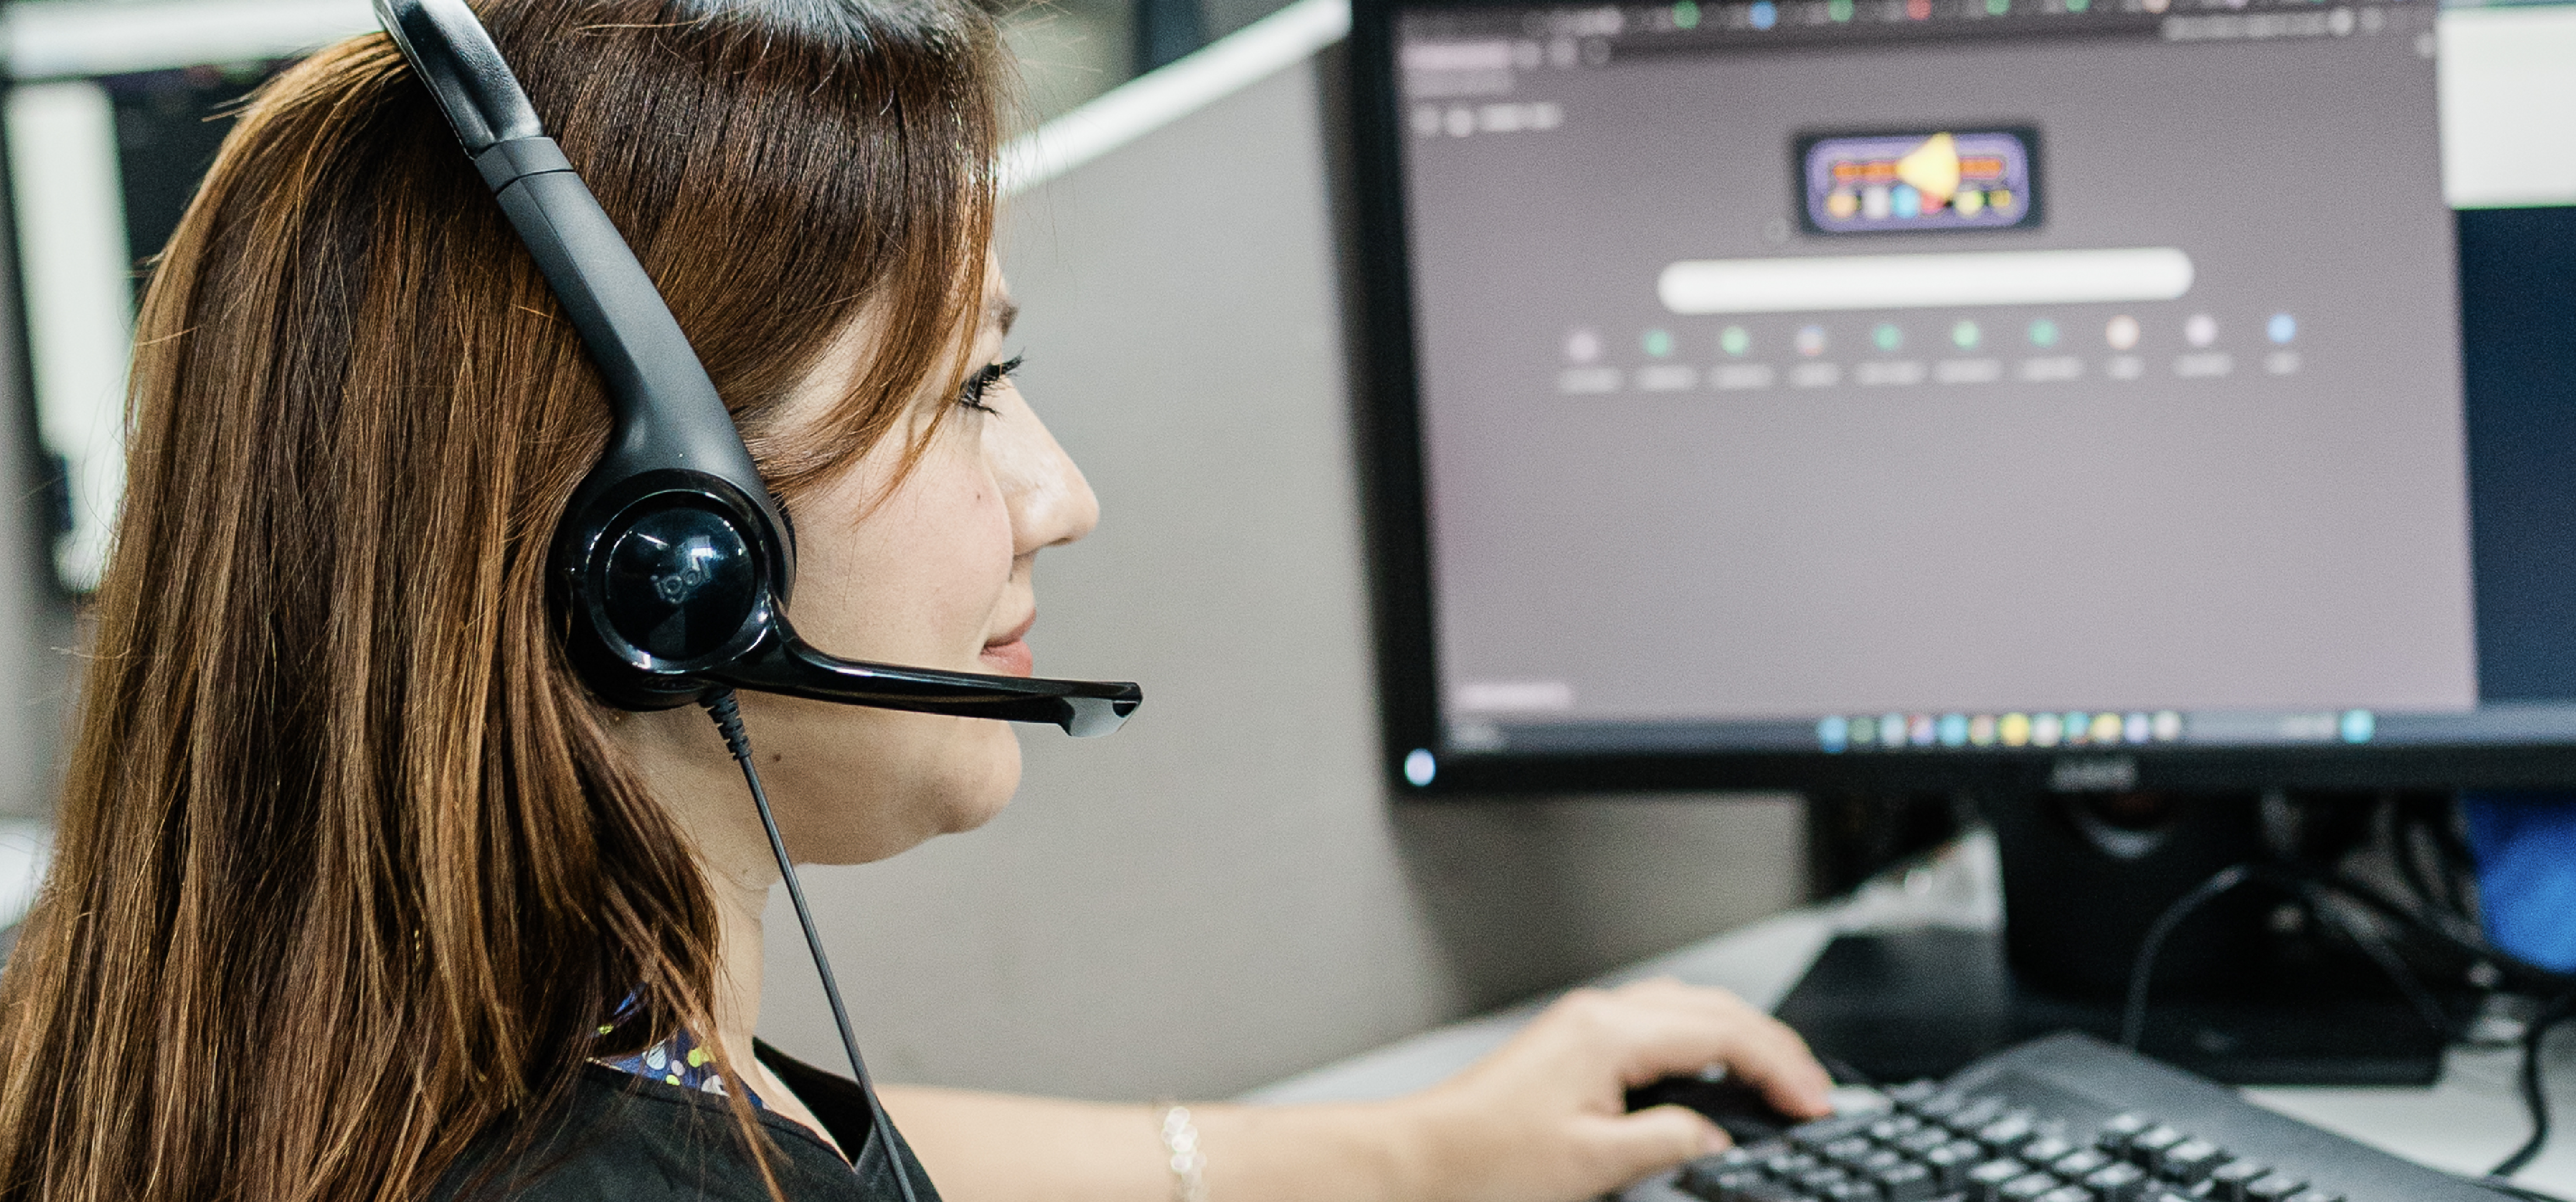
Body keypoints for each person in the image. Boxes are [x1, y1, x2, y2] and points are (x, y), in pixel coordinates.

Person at [0, 0, 1833, 1198]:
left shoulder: (227, 1034)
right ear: (668, 546)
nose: (1062, 495)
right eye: (967, 394)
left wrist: (1412, 1155)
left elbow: (786, 1138)